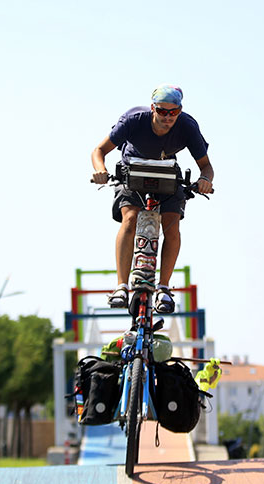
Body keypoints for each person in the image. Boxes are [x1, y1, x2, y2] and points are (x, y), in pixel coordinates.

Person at [91, 84, 214, 313]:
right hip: (132, 171)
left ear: (180, 110)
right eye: (162, 111)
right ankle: (121, 286)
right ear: (153, 108)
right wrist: (100, 170)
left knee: (172, 223)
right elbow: (99, 151)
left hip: (166, 174)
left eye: (173, 112)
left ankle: (164, 288)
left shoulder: (187, 126)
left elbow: (206, 166)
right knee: (130, 218)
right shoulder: (134, 120)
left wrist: (205, 180)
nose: (168, 117)